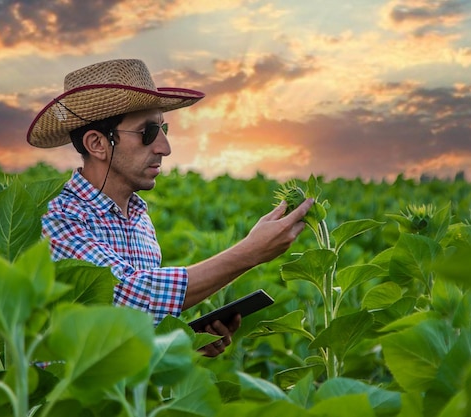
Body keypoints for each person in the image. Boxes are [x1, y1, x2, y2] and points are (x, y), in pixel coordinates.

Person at [26, 59, 313, 357]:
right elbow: (130, 297)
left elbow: (127, 334)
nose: (164, 147)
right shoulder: (56, 218)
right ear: (97, 144)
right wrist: (249, 252)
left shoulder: (138, 217)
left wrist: (181, 344)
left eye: (163, 128)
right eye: (148, 132)